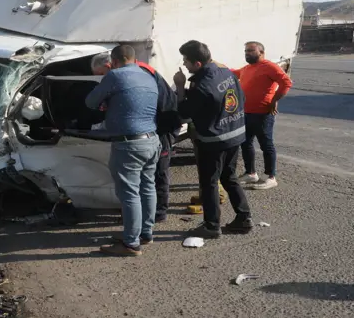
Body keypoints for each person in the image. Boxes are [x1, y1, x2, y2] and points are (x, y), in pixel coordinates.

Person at [85, 45, 161, 256]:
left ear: (114, 62)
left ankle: (131, 244)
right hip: (152, 140)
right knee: (148, 188)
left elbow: (90, 102)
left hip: (129, 144)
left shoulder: (115, 76)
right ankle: (145, 234)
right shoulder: (148, 75)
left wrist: (106, 99)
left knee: (129, 194)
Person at [174, 40, 253, 239]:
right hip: (234, 134)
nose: (184, 64)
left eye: (186, 61)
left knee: (209, 183)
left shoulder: (202, 85)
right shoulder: (225, 71)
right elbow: (241, 98)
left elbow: (185, 112)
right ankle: (244, 218)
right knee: (229, 177)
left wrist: (180, 87)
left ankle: (211, 226)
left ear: (197, 63)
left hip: (213, 140)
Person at [91, 52, 182, 223]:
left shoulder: (137, 74)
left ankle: (158, 212)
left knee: (158, 170)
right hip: (154, 125)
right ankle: (142, 214)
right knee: (147, 176)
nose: (103, 78)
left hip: (164, 124)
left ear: (110, 66)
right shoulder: (136, 71)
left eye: (102, 74)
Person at [232, 41, 293, 190]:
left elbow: (286, 83)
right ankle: (250, 173)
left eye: (251, 51)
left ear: (261, 52)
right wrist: (215, 64)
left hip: (262, 114)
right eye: (246, 51)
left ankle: (270, 177)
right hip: (246, 113)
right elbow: (233, 73)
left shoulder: (269, 66)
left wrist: (274, 100)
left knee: (266, 145)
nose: (247, 54)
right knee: (245, 143)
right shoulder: (247, 68)